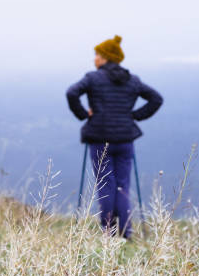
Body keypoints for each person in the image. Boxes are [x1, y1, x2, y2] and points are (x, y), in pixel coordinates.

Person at [66, 35, 163, 238]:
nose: (94, 59)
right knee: (122, 184)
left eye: (97, 55)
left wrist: (84, 114)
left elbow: (71, 93)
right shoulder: (132, 80)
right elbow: (156, 99)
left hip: (99, 138)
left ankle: (108, 231)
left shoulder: (92, 78)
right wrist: (134, 116)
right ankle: (126, 230)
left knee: (105, 183)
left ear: (105, 57)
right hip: (125, 139)